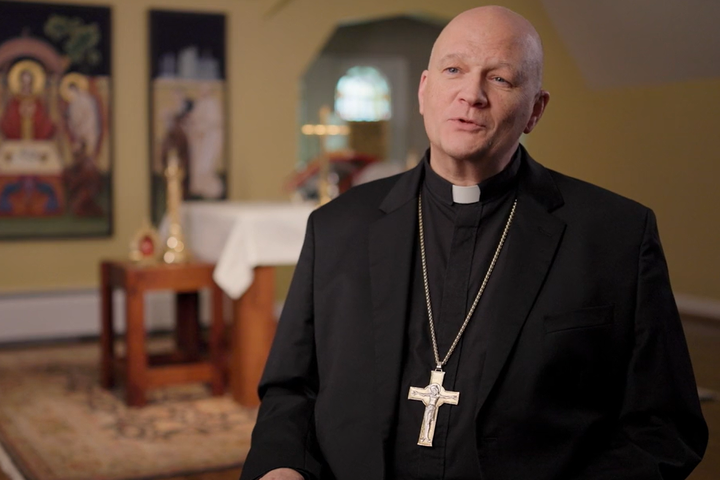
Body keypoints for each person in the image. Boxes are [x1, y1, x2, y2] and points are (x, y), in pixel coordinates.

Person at [241, 6, 707, 480]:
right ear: (424, 91)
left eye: (500, 79)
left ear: (536, 109)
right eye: (454, 70)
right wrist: (282, 467)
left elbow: (663, 428)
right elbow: (291, 390)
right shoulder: (336, 227)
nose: (471, 95)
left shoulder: (615, 235)